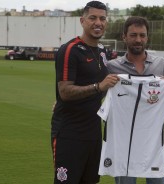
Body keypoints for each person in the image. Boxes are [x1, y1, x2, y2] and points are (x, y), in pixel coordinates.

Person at [106, 16, 164, 184]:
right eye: (133, 35)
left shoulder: (160, 64)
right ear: (124, 37)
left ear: (147, 37)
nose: (138, 40)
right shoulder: (112, 67)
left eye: (142, 35)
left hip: (155, 142)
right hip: (124, 142)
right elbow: (95, 90)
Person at [51, 1, 119, 184]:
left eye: (102, 18)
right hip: (69, 133)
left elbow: (108, 86)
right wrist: (98, 87)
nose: (98, 22)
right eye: (93, 18)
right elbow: (65, 92)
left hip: (94, 133)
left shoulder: (103, 52)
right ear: (82, 20)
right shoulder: (70, 50)